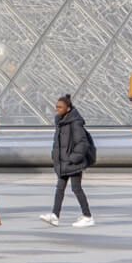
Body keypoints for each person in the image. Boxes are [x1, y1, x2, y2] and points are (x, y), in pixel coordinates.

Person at [44, 94, 95, 226]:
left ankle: (88, 216)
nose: (57, 109)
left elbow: (82, 143)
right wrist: (55, 156)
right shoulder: (60, 122)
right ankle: (55, 215)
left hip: (72, 163)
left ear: (68, 109)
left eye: (60, 107)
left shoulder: (75, 123)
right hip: (63, 162)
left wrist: (74, 158)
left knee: (76, 188)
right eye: (56, 107)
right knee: (60, 188)